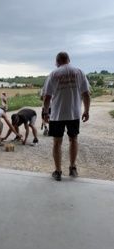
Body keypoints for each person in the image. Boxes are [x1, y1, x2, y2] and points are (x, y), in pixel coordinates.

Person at [43, 52, 90, 181]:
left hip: (57, 114)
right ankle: (72, 168)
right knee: (73, 140)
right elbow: (86, 94)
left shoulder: (54, 74)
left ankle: (58, 171)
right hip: (73, 113)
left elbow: (47, 97)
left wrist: (45, 112)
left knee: (57, 142)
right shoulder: (79, 72)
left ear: (57, 61)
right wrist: (86, 111)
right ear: (69, 60)